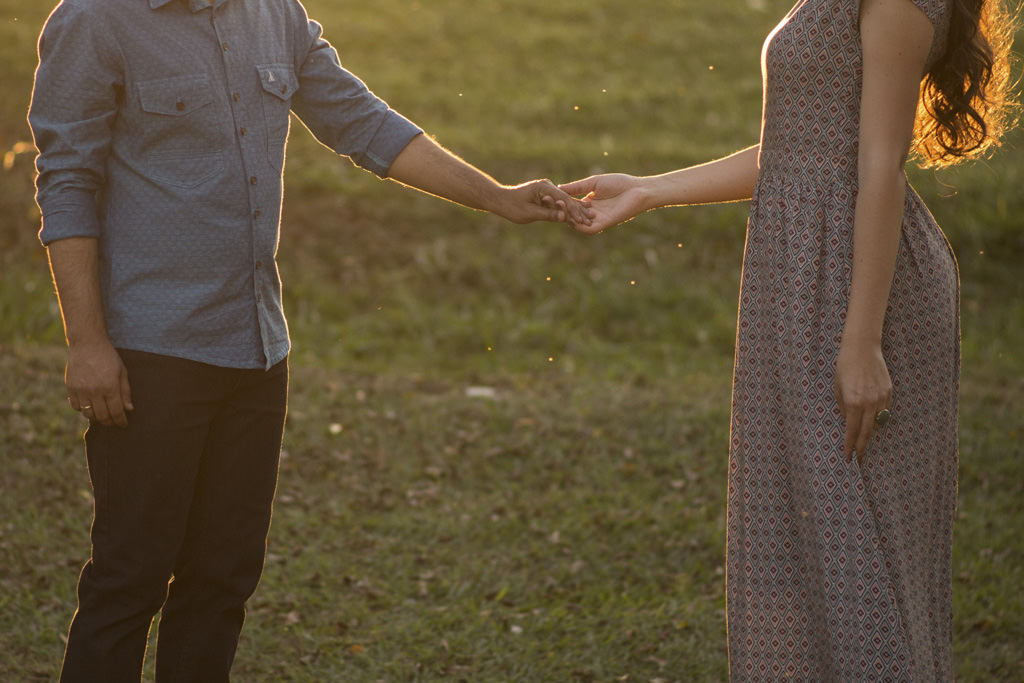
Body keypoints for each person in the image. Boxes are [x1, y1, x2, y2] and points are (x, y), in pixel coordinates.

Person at [28, 0, 590, 679]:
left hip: (257, 349)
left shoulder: (273, 12)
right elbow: (68, 183)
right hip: (153, 351)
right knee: (129, 578)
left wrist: (496, 195)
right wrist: (86, 341)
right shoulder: (95, 21)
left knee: (222, 578)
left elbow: (361, 122)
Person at [561, 0, 1016, 679]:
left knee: (858, 551)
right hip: (802, 279)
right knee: (798, 540)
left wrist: (861, 340)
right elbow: (798, 149)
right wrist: (650, 190)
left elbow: (881, 164)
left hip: (860, 290)